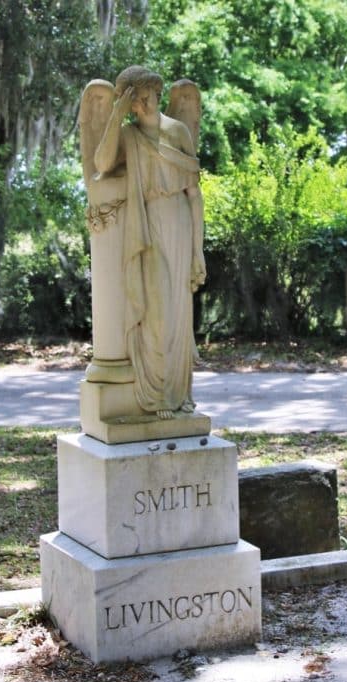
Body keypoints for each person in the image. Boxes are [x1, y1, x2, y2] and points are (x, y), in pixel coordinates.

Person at [93, 66, 206, 419]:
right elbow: (101, 163)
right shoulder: (128, 135)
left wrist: (197, 249)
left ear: (157, 95)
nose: (142, 105)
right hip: (149, 223)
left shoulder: (178, 131)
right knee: (157, 311)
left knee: (178, 313)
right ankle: (156, 394)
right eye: (135, 100)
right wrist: (115, 114)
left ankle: (178, 393)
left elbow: (194, 194)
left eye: (146, 97)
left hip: (180, 222)